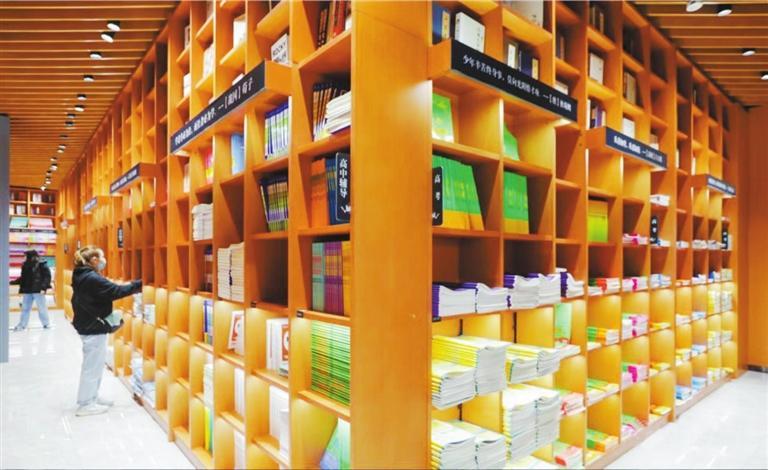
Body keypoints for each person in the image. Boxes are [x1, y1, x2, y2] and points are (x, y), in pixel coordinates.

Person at [71, 245, 141, 417]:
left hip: (88, 324)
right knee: (92, 367)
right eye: (101, 257)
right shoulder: (91, 277)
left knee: (95, 365)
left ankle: (92, 397)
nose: (103, 261)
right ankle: (86, 404)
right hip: (92, 327)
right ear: (94, 260)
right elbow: (116, 291)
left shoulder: (81, 274)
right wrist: (141, 283)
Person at [10, 249, 52, 331]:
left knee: (41, 308)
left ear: (30, 256)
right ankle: (22, 325)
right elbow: (23, 278)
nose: (24, 257)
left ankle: (46, 324)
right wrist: (13, 282)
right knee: (25, 308)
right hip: (28, 290)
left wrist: (43, 288)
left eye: (25, 256)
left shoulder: (42, 264)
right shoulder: (25, 265)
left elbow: (47, 277)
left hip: (38, 290)